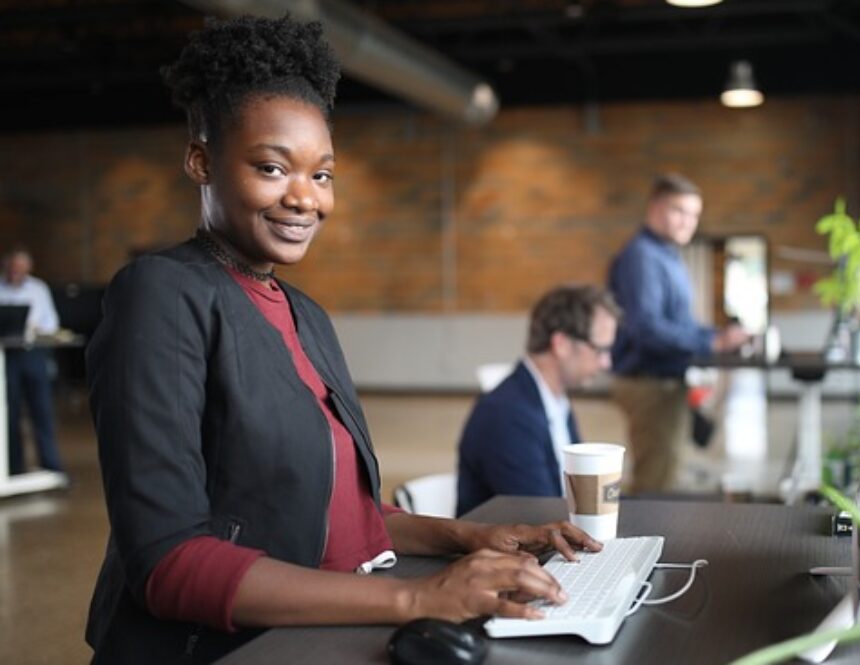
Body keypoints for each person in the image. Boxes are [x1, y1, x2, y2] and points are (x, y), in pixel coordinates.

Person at [84, 15, 597, 664]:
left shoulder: (308, 316)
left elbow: (346, 518)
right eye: (272, 168)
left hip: (312, 633)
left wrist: (477, 538)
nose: (305, 199)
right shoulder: (160, 294)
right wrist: (420, 599)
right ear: (201, 160)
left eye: (322, 175)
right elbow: (168, 559)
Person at [607, 173, 750, 494]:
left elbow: (679, 323)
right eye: (679, 212)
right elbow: (647, 328)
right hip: (648, 383)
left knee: (666, 472)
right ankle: (640, 543)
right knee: (653, 481)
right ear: (655, 208)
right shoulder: (642, 256)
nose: (689, 222)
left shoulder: (666, 255)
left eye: (695, 215)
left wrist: (717, 335)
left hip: (666, 381)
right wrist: (710, 341)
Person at [456, 285, 621, 516]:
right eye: (600, 349)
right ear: (562, 344)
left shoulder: (555, 401)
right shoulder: (506, 415)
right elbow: (539, 517)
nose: (606, 363)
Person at [0, 247, 64, 475]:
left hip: (33, 353)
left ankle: (51, 466)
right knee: (9, 413)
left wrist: (35, 328)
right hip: (6, 358)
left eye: (20, 270)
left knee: (42, 411)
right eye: (12, 269)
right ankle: (14, 469)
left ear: (28, 268)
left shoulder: (38, 289)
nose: (15, 274)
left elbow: (52, 323)